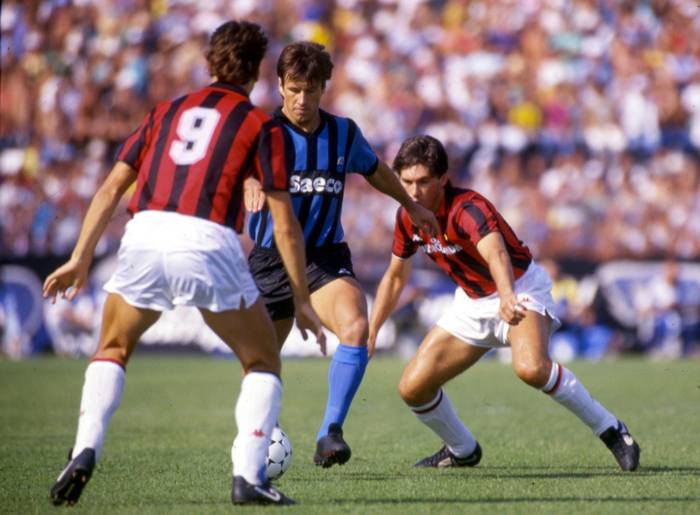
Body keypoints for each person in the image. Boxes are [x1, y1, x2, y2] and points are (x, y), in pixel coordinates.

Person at [43, 21, 325, 507]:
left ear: (209, 62)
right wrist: (301, 298)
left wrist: (79, 257)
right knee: (262, 360)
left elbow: (111, 189)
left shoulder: (166, 111)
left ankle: (86, 447)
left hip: (145, 233)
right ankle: (248, 478)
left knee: (112, 347)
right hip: (207, 238)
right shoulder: (260, 124)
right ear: (257, 71)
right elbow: (284, 226)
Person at [367, 135, 640, 471]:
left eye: (423, 182)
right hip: (471, 303)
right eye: (406, 182)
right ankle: (462, 450)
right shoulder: (406, 216)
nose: (413, 192)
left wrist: (507, 296)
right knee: (412, 388)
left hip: (519, 287)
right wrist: (373, 330)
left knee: (531, 368)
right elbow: (395, 277)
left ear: (442, 178)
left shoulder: (467, 208)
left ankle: (611, 429)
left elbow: (496, 254)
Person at [244, 41, 439, 468]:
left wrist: (411, 206)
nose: (301, 99)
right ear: (280, 86)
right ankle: (256, 442)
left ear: (323, 89)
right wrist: (250, 182)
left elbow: (375, 171)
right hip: (271, 259)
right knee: (261, 364)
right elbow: (237, 170)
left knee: (355, 326)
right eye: (294, 88)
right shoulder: (262, 132)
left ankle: (330, 432)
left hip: (324, 257)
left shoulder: (343, 134)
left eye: (310, 90)